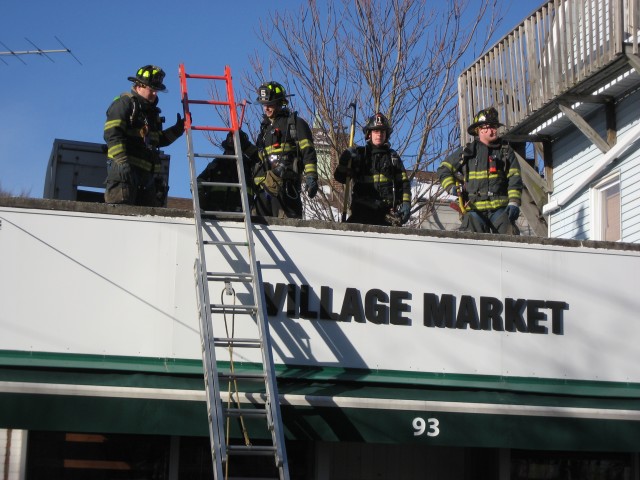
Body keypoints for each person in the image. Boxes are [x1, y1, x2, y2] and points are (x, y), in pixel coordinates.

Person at [103, 65, 184, 206]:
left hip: (146, 177)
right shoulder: (124, 104)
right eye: (151, 90)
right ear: (139, 86)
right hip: (125, 174)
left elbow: (157, 140)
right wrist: (122, 161)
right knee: (120, 217)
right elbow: (112, 133)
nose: (155, 94)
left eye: (157, 91)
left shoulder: (151, 112)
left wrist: (177, 130)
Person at [437, 107, 522, 234]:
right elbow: (444, 169)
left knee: (511, 239)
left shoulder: (505, 151)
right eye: (490, 127)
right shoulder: (467, 152)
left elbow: (515, 177)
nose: (494, 130)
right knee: (471, 244)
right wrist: (451, 187)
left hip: (500, 209)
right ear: (480, 130)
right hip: (474, 209)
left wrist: (514, 202)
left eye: (495, 127)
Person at [252, 81, 318, 219]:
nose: (266, 108)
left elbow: (308, 152)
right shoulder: (264, 131)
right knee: (257, 226)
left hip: (286, 190)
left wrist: (311, 176)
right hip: (264, 191)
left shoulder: (295, 124)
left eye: (270, 104)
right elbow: (257, 158)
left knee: (287, 232)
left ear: (280, 102)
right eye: (264, 104)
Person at [334, 112, 411, 226]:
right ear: (369, 134)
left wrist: (406, 203)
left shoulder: (393, 157)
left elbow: (404, 183)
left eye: (382, 131)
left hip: (386, 214)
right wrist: (344, 161)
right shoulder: (359, 154)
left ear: (386, 134)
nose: (379, 134)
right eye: (376, 131)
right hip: (361, 212)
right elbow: (340, 178)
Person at [197, 130, 259, 213]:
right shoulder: (217, 163)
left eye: (233, 150)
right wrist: (201, 198)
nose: (229, 153)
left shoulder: (248, 165)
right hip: (214, 211)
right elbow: (199, 181)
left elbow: (260, 159)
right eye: (227, 150)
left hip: (240, 212)